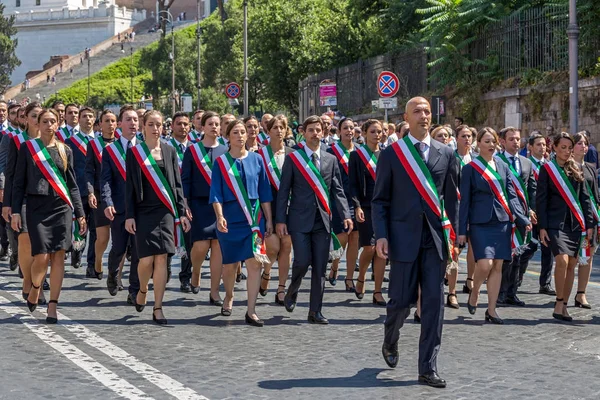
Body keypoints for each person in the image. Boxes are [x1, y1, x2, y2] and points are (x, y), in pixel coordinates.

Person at [373, 97, 458, 388]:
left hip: (435, 241)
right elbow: (380, 200)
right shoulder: (392, 154)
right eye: (417, 112)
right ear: (406, 118)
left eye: (427, 111)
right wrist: (381, 235)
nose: (424, 116)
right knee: (400, 302)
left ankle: (427, 367)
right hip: (402, 239)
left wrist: (455, 236)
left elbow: (451, 200)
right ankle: (390, 338)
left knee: (434, 304)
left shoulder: (446, 153)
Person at [12, 108, 87, 324]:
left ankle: (53, 304)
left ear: (58, 123)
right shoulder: (28, 148)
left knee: (58, 257)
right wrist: (16, 210)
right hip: (36, 207)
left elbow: (72, 185)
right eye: (45, 121)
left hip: (61, 207)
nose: (49, 125)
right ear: (38, 124)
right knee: (42, 256)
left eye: (53, 121)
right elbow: (18, 183)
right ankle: (35, 286)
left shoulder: (66, 151)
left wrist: (80, 214)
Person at [277, 115, 352, 324]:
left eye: (318, 130)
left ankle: (315, 311)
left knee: (320, 266)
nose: (315, 133)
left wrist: (346, 214)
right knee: (302, 261)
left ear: (324, 132)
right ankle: (293, 288)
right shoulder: (294, 158)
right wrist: (280, 220)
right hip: (299, 219)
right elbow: (284, 191)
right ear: (303, 132)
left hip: (323, 220)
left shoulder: (330, 159)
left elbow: (338, 190)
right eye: (311, 130)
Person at [459, 128, 531, 325]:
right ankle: (475, 291)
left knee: (498, 265)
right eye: (487, 141)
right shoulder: (470, 169)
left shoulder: (502, 165)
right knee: (485, 264)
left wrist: (521, 218)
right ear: (479, 144)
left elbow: (511, 195)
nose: (491, 145)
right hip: (480, 222)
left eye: (493, 142)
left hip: (502, 221)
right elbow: (464, 201)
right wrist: (461, 231)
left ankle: (491, 310)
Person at [125, 110, 190, 325]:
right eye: (151, 124)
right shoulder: (135, 153)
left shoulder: (170, 151)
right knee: (146, 260)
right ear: (144, 126)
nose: (155, 128)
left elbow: (177, 185)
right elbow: (130, 188)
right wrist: (130, 215)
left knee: (162, 258)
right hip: (143, 212)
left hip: (166, 212)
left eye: (159, 124)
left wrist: (182, 212)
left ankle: (158, 307)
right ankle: (143, 288)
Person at [210, 120, 273, 326]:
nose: (240, 135)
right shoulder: (221, 162)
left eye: (243, 132)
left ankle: (251, 310)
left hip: (254, 220)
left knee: (254, 264)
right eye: (235, 132)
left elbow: (264, 192)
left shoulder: (257, 159)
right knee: (230, 266)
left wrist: (269, 219)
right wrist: (219, 217)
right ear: (227, 137)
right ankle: (229, 296)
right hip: (230, 219)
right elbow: (216, 193)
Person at [537, 132, 594, 321]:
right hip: (555, 223)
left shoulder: (576, 169)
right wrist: (542, 227)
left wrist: (589, 225)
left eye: (570, 148)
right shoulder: (547, 169)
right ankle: (559, 300)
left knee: (571, 264)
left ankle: (564, 304)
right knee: (561, 260)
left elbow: (585, 199)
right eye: (563, 147)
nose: (567, 151)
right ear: (554, 148)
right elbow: (541, 199)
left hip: (575, 224)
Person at [181, 111, 226, 303]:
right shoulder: (193, 150)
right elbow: (186, 180)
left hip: (221, 206)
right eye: (210, 124)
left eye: (217, 124)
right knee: (200, 245)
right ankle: (196, 271)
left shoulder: (226, 150)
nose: (214, 127)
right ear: (203, 127)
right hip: (199, 204)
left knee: (218, 247)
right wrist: (185, 205)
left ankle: (214, 291)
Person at [4, 103, 47, 305]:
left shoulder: (51, 141)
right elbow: (11, 175)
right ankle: (28, 280)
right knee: (25, 240)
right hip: (23, 198)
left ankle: (39, 284)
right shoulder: (16, 140)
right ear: (25, 118)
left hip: (46, 199)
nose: (38, 120)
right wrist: (7, 205)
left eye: (41, 116)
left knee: (43, 246)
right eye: (34, 116)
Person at [101, 106, 141, 304]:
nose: (133, 123)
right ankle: (112, 274)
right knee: (118, 248)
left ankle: (134, 290)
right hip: (119, 208)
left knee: (138, 251)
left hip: (142, 208)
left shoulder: (145, 147)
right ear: (120, 124)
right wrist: (107, 202)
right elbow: (106, 180)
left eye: (135, 119)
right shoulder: (110, 150)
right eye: (129, 119)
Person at [495, 127, 536, 307]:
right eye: (511, 139)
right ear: (502, 142)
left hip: (523, 215)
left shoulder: (527, 163)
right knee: (505, 256)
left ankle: (513, 292)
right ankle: (500, 292)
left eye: (518, 139)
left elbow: (531, 189)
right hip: (505, 213)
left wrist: (532, 210)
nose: (516, 142)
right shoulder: (497, 161)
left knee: (519, 253)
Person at [350, 119, 386, 306]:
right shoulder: (357, 156)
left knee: (382, 251)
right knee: (370, 248)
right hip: (366, 206)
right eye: (373, 131)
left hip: (384, 207)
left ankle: (378, 291)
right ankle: (362, 276)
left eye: (379, 131)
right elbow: (353, 184)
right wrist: (356, 206)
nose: (377, 135)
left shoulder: (387, 155)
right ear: (364, 133)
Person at [258, 115, 294, 305]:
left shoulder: (293, 153)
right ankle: (266, 272)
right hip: (268, 207)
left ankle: (281, 288)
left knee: (287, 246)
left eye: (282, 127)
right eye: (275, 128)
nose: (279, 131)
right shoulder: (260, 154)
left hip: (289, 206)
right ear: (268, 130)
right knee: (273, 247)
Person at [86, 110, 121, 290]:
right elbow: (89, 171)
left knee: (120, 239)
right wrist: (90, 192)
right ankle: (98, 260)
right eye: (106, 121)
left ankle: (116, 276)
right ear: (100, 124)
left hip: (119, 194)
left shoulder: (122, 144)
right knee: (103, 237)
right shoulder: (94, 144)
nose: (110, 124)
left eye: (113, 120)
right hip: (100, 195)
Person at [519, 132, 555, 295]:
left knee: (549, 249)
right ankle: (517, 276)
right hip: (532, 212)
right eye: (538, 145)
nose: (542, 147)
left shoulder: (550, 165)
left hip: (548, 213)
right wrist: (528, 210)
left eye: (544, 145)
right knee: (530, 247)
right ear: (530, 147)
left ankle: (545, 284)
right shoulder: (526, 165)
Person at [326, 117, 359, 293]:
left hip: (356, 200)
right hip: (338, 200)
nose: (349, 131)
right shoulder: (331, 151)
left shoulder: (360, 151)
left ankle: (349, 278)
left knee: (355, 238)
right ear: (339, 131)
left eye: (352, 127)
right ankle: (335, 266)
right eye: (345, 128)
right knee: (343, 237)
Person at [164, 112, 193, 292]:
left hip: (186, 199)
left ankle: (185, 276)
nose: (183, 127)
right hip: (167, 197)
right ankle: (164, 266)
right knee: (167, 236)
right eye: (179, 124)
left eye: (185, 124)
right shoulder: (164, 147)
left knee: (187, 238)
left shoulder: (195, 148)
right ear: (172, 126)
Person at [65, 107, 96, 271]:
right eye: (84, 116)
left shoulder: (99, 141)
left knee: (97, 230)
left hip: (96, 192)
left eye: (91, 116)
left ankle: (92, 264)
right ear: (80, 119)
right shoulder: (70, 142)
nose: (87, 119)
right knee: (81, 226)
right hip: (78, 189)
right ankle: (77, 250)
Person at [570, 132, 597, 309]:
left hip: (590, 217)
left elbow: (595, 193)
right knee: (572, 259)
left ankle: (581, 294)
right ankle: (563, 293)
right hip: (573, 218)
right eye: (579, 143)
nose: (583, 146)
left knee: (589, 255)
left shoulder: (590, 168)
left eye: (585, 143)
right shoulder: (565, 167)